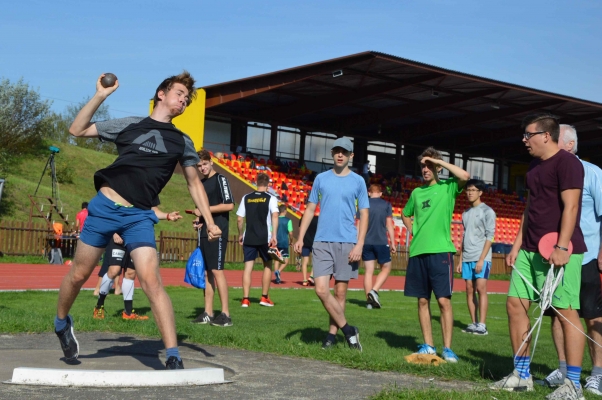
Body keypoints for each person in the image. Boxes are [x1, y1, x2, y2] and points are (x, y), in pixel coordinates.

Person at [57, 71, 221, 370]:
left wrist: (209, 220)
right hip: (106, 207)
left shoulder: (181, 141)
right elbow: (76, 130)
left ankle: (172, 354)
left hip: (139, 216)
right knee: (79, 275)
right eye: (180, 93)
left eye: (187, 98)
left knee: (151, 280)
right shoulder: (130, 124)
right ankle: (60, 323)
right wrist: (100, 96)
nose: (184, 100)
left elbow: (194, 184)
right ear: (162, 93)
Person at [491, 113, 586, 399]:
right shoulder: (533, 166)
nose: (524, 139)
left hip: (561, 251)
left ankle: (573, 385)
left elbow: (571, 207)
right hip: (529, 250)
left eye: (528, 134)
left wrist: (561, 246)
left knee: (566, 313)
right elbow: (529, 209)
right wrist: (516, 244)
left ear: (546, 135)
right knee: (514, 305)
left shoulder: (569, 164)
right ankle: (521, 375)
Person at [535, 124, 602, 396]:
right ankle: (564, 370)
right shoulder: (548, 171)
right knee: (558, 313)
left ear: (570, 145)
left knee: (592, 314)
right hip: (555, 255)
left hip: (585, 255)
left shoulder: (593, 173)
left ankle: (597, 374)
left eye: (554, 139)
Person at [294, 137, 368, 351]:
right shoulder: (321, 178)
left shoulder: (358, 181)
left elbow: (364, 214)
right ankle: (349, 330)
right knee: (320, 289)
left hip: (348, 242)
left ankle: (331, 336)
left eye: (344, 151)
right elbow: (309, 209)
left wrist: (359, 244)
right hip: (322, 241)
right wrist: (300, 237)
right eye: (336, 150)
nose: (339, 154)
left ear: (351, 156)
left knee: (340, 294)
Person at [401, 146, 470, 363]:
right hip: (418, 252)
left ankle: (447, 348)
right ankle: (429, 346)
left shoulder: (449, 187)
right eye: (423, 165)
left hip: (441, 252)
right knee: (422, 301)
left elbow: (465, 176)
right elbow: (405, 214)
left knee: (443, 301)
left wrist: (439, 162)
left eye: (430, 165)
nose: (425, 169)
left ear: (438, 167)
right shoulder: (416, 193)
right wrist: (413, 230)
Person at [191, 149, 235, 327]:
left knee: (217, 270)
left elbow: (229, 205)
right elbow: (203, 211)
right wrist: (199, 220)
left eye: (204, 164)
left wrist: (203, 211)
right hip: (205, 231)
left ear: (211, 162)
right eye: (199, 166)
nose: (202, 168)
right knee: (207, 271)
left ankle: (225, 314)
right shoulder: (201, 184)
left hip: (218, 231)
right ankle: (208, 312)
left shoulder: (221, 179)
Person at [455, 179, 496, 335]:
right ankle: (473, 323)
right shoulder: (465, 213)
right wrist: (460, 259)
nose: (470, 192)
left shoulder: (488, 211)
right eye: (468, 190)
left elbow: (490, 236)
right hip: (467, 257)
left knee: (481, 288)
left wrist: (481, 259)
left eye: (473, 190)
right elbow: (465, 237)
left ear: (480, 192)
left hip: (482, 257)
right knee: (469, 289)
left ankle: (482, 325)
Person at [236, 172, 279, 307]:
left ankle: (245, 299)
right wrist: (274, 236)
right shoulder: (271, 198)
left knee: (248, 267)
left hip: (249, 237)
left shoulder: (246, 197)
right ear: (267, 185)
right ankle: (264, 297)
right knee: (267, 265)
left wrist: (240, 234)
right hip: (264, 237)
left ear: (256, 182)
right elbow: (275, 216)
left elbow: (239, 219)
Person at [361, 184, 396, 309]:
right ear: (381, 193)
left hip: (366, 242)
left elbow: (358, 225)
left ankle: (369, 303)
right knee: (386, 268)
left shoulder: (363, 204)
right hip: (381, 241)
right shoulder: (386, 205)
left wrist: (357, 243)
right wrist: (392, 241)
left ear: (369, 193)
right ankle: (374, 291)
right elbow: (389, 225)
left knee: (368, 272)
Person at [274, 204, 293, 284]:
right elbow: (291, 233)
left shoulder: (275, 219)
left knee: (277, 259)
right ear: (285, 211)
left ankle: (277, 276)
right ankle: (278, 271)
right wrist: (291, 241)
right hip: (284, 242)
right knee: (286, 260)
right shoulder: (288, 220)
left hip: (276, 241)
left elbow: (272, 230)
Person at [299, 207, 319, 286]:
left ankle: (304, 280)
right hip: (314, 242)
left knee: (305, 261)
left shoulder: (303, 218)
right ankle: (311, 276)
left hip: (305, 242)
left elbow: (300, 230)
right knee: (316, 260)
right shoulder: (317, 219)